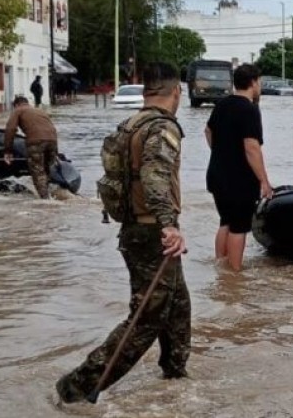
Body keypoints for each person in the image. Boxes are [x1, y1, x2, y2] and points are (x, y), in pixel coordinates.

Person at [56, 62, 189, 404]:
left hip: (135, 230)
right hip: (153, 233)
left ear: (146, 91)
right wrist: (169, 225)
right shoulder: (162, 128)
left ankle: (175, 375)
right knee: (145, 319)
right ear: (176, 92)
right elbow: (154, 177)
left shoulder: (129, 125)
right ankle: (78, 386)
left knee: (177, 305)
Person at [205, 63, 273, 272]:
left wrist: (220, 152)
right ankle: (234, 274)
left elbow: (208, 131)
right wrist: (264, 180)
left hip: (217, 174)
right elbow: (251, 147)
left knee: (225, 221)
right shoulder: (249, 110)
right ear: (253, 83)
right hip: (239, 179)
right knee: (239, 226)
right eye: (259, 82)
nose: (260, 86)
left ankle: (221, 267)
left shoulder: (222, 104)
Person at [3, 96, 59, 199]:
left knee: (38, 171)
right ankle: (55, 194)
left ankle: (46, 200)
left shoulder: (18, 110)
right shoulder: (39, 110)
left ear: (16, 105)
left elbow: (10, 129)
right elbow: (52, 127)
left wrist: (8, 150)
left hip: (36, 142)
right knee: (49, 169)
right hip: (53, 140)